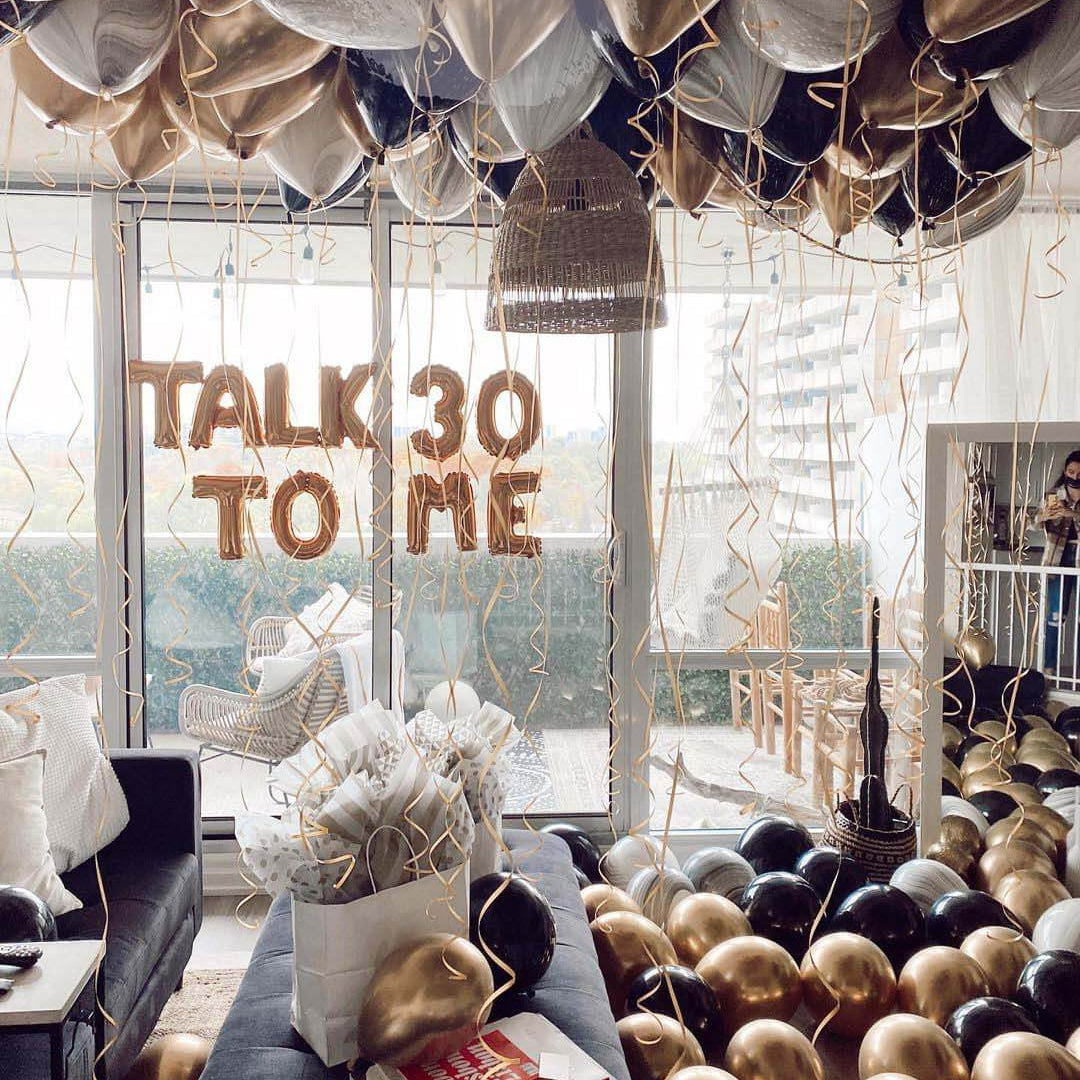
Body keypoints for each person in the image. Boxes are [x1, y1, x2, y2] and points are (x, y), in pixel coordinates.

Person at [1038, 449, 1080, 674]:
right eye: (1071, 471)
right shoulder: (1054, 494)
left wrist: (1071, 514)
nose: (1074, 476)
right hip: (1058, 558)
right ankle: (1048, 669)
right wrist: (1045, 516)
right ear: (1065, 471)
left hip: (1078, 555)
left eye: (1079, 473)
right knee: (1054, 615)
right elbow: (1033, 522)